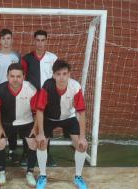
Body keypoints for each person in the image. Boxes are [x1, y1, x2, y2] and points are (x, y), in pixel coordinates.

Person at [35, 60, 88, 189]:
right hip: (49, 118)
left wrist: (82, 136)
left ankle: (78, 177)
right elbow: (40, 110)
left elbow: (81, 113)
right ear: (53, 75)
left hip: (68, 118)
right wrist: (41, 133)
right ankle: (42, 176)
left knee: (81, 145)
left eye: (64, 74)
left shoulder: (75, 87)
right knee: (41, 143)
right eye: (58, 74)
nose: (61, 77)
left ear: (69, 74)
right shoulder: (47, 86)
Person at [0, 63, 39, 187]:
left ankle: (30, 172)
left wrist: (35, 128)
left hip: (26, 122)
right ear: (7, 76)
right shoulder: (0, 89)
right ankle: (2, 171)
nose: (15, 79)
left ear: (23, 76)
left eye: (18, 76)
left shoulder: (31, 89)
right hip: (5, 123)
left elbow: (37, 112)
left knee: (33, 143)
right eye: (12, 76)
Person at [21, 30, 58, 167]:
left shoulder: (53, 58)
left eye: (43, 40)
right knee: (29, 126)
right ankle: (26, 154)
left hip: (47, 97)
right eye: (38, 40)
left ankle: (46, 154)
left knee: (46, 126)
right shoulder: (27, 59)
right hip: (31, 97)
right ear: (34, 41)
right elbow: (21, 78)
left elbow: (57, 77)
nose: (40, 43)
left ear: (46, 41)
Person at [0, 28, 25, 165]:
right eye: (3, 38)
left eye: (8, 38)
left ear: (12, 40)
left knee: (12, 120)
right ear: (0, 40)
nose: (6, 41)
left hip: (13, 92)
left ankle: (12, 150)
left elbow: (19, 74)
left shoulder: (16, 56)